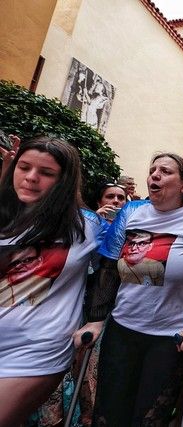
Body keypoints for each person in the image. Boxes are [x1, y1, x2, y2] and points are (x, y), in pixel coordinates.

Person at [77, 152, 183, 425]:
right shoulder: (132, 212)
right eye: (152, 170)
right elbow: (109, 269)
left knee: (149, 418)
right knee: (109, 414)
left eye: (165, 171)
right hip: (122, 330)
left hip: (170, 336)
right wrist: (95, 321)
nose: (155, 175)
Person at [0, 137, 106, 426]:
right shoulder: (5, 214)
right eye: (24, 167)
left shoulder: (86, 226)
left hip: (35, 349)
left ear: (64, 181)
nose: (31, 178)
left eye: (46, 173)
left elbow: (122, 257)